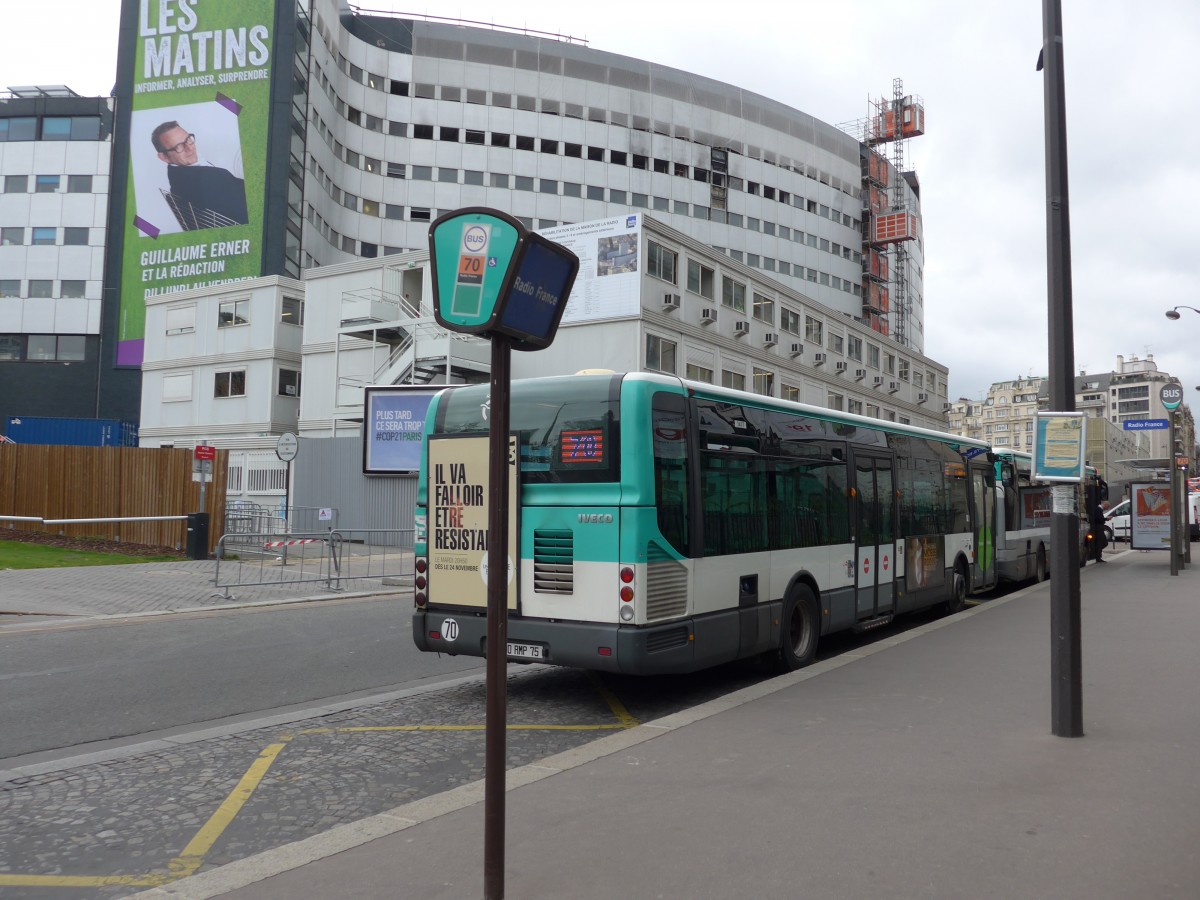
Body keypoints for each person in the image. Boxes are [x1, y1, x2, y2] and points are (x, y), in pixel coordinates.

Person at [152, 120, 248, 229]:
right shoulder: (205, 178)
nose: (190, 148)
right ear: (164, 157)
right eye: (179, 146)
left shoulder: (178, 177)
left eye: (188, 139)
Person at [1090, 498, 1108, 563]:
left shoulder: (1099, 509)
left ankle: (1098, 554)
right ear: (1105, 505)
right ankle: (1097, 555)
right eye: (1107, 507)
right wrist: (1106, 519)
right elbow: (1099, 519)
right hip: (1098, 528)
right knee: (1101, 542)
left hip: (1099, 528)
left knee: (1102, 542)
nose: (1107, 508)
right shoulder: (1098, 509)